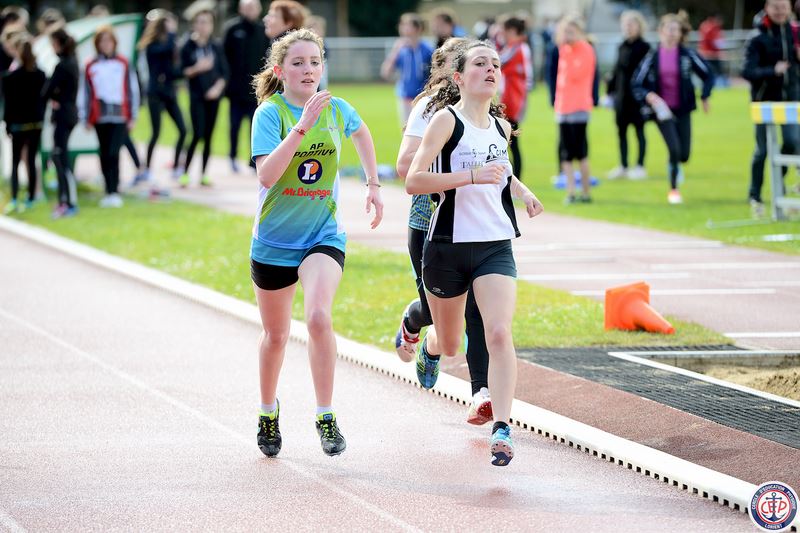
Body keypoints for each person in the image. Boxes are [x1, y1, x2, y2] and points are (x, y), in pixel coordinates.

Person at [405, 41, 544, 466]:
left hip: (494, 245)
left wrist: (523, 192)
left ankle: (502, 426)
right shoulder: (446, 121)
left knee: (498, 332)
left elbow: (501, 170)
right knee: (451, 344)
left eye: (495, 64)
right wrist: (468, 176)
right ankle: (429, 343)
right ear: (459, 77)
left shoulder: (501, 126)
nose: (490, 69)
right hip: (446, 247)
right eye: (480, 63)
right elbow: (413, 180)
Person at [249, 29, 383, 458]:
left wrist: (373, 184)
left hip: (322, 235)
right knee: (276, 335)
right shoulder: (270, 114)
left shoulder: (337, 108)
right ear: (280, 70)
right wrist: (301, 126)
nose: (308, 70)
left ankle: (325, 414)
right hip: (274, 241)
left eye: (314, 62)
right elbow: (267, 175)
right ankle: (268, 411)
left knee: (319, 317)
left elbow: (362, 133)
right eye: (298, 63)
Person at [395, 37, 493, 425]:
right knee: (441, 320)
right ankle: (415, 324)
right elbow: (405, 165)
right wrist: (456, 171)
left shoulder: (484, 107)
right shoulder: (430, 107)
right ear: (452, 69)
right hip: (430, 222)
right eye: (472, 62)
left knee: (478, 310)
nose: (483, 70)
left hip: (477, 224)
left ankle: (481, 394)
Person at [633, 11, 714, 205]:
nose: (671, 33)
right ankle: (674, 190)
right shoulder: (653, 56)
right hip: (662, 111)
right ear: (661, 32)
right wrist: (649, 96)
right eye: (668, 29)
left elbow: (708, 75)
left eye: (675, 30)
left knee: (684, 155)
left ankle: (676, 163)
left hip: (683, 109)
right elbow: (636, 83)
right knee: (674, 149)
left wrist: (704, 95)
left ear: (680, 33)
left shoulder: (687, 54)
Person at [743, 0, 799, 217]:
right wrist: (772, 70)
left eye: (784, 6)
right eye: (775, 7)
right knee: (763, 150)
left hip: (790, 100)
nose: (780, 11)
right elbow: (747, 71)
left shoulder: (794, 33)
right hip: (764, 102)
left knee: (793, 142)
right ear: (767, 8)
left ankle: (779, 182)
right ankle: (755, 194)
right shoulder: (757, 37)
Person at [79, 25, 139, 208]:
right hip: (100, 116)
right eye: (102, 41)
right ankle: (108, 190)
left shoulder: (123, 62)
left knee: (114, 152)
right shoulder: (90, 64)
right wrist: (84, 116)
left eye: (108, 41)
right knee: (104, 153)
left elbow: (132, 89)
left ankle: (115, 189)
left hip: (120, 115)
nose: (106, 44)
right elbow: (85, 92)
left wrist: (133, 115)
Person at [551, 16, 598, 204]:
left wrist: (567, 50)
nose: (567, 36)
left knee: (581, 152)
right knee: (566, 154)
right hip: (563, 107)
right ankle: (570, 192)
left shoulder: (585, 49)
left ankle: (586, 193)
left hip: (578, 108)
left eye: (571, 32)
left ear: (579, 32)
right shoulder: (564, 50)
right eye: (565, 32)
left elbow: (576, 74)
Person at [179, 8, 229, 187]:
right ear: (194, 24)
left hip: (213, 98)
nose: (203, 26)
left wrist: (217, 89)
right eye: (200, 22)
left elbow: (224, 72)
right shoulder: (187, 46)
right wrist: (196, 68)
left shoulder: (215, 46)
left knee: (208, 136)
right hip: (196, 97)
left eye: (207, 22)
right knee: (197, 134)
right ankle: (185, 172)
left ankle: (203, 174)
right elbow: (179, 71)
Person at [138, 9, 186, 189]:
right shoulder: (152, 45)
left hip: (169, 92)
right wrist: (172, 34)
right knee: (156, 132)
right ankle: (147, 168)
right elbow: (162, 53)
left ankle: (176, 167)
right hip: (155, 93)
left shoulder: (170, 44)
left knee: (183, 130)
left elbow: (173, 70)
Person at [2, 33, 45, 215]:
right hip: (35, 124)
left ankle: (14, 198)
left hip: (18, 125)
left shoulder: (11, 77)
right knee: (32, 161)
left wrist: (7, 124)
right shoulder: (40, 75)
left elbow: (9, 105)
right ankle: (31, 197)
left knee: (15, 162)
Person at [224, 0, 268, 173]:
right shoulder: (232, 29)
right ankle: (232, 156)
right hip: (235, 91)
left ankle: (253, 161)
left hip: (257, 91)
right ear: (241, 9)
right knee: (234, 126)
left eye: (253, 7)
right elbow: (224, 58)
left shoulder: (263, 30)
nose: (250, 10)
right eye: (247, 7)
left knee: (255, 127)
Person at [606, 10, 651, 181]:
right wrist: (609, 92)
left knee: (639, 132)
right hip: (622, 98)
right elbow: (617, 71)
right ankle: (623, 166)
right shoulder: (621, 46)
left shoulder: (645, 48)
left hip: (638, 99)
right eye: (625, 25)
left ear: (639, 26)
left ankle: (640, 166)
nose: (628, 28)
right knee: (621, 132)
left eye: (632, 24)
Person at [42, 29, 79, 218]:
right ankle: (66, 200)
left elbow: (46, 91)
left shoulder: (63, 65)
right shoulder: (73, 62)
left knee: (60, 157)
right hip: (69, 114)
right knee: (60, 156)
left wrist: (54, 96)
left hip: (63, 116)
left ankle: (67, 201)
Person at [380, 13, 434, 124]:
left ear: (417, 28)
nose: (402, 28)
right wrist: (395, 51)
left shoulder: (427, 49)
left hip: (423, 97)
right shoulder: (401, 49)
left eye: (407, 25)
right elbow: (385, 72)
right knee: (406, 129)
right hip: (405, 97)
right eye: (402, 25)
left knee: (423, 129)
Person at [497, 15, 532, 182]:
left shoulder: (519, 47)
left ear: (511, 30)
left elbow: (500, 61)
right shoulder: (513, 47)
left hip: (513, 101)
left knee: (511, 143)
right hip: (508, 100)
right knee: (505, 142)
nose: (501, 34)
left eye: (503, 30)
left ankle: (516, 180)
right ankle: (510, 179)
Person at [699, 14, 727, 87]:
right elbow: (714, 42)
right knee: (715, 71)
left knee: (708, 72)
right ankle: (721, 85)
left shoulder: (704, 25)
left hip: (708, 54)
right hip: (710, 55)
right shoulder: (711, 28)